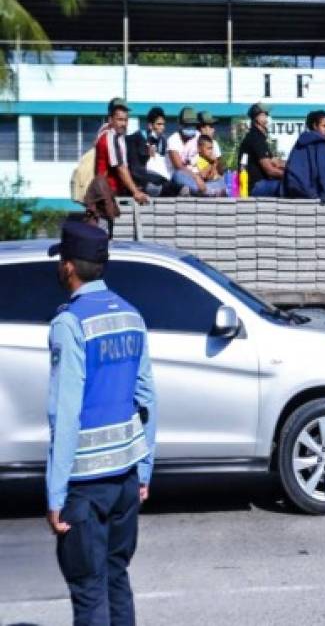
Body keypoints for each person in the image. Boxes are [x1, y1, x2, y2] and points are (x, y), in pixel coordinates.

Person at [45, 221, 156, 626]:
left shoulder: (69, 324)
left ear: (70, 267)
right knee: (116, 579)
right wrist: (144, 469)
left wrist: (55, 494)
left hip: (84, 486)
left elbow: (65, 412)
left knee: (90, 592)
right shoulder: (130, 315)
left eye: (62, 261)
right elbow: (147, 398)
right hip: (126, 476)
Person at [283, 110, 325, 201]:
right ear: (315, 125)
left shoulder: (300, 142)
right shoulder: (322, 144)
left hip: (293, 187)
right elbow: (324, 173)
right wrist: (324, 195)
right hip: (311, 190)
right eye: (324, 126)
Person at [95, 97, 148, 206]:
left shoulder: (107, 131)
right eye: (120, 119)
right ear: (110, 119)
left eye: (126, 120)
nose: (124, 123)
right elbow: (121, 168)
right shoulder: (111, 138)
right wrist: (136, 192)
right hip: (109, 193)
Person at [125, 107, 184, 197]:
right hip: (142, 183)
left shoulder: (163, 141)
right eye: (159, 124)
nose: (162, 128)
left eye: (163, 125)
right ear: (150, 125)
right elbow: (135, 167)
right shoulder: (137, 138)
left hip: (159, 179)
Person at [238, 102, 285, 197]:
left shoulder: (260, 138)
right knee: (290, 185)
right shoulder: (255, 138)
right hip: (256, 186)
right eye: (265, 115)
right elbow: (270, 170)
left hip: (262, 183)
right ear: (257, 119)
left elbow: (275, 162)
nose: (268, 118)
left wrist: (294, 167)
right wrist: (290, 176)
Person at [166, 107, 207, 195]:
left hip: (197, 176)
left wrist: (204, 170)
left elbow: (204, 158)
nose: (190, 127)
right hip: (177, 178)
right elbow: (179, 166)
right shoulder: (173, 140)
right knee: (179, 175)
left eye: (192, 125)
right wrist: (196, 178)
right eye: (187, 125)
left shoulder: (198, 137)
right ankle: (200, 191)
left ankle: (199, 190)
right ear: (180, 125)